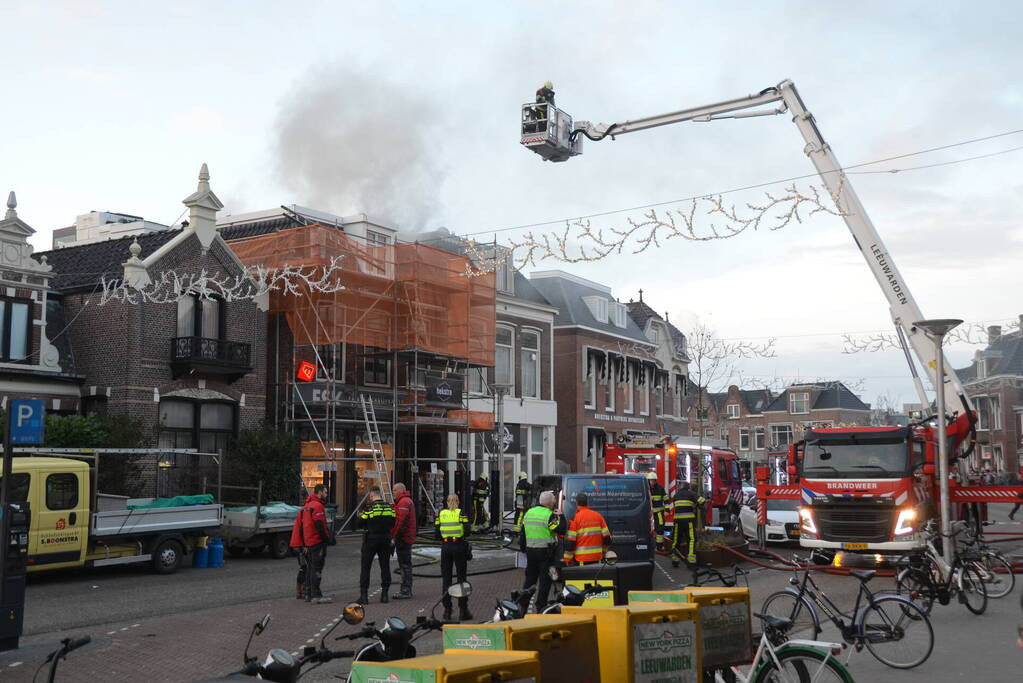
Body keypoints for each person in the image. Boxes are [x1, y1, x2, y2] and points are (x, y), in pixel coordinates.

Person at [288, 484, 336, 604]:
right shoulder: (317, 506)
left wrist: (303, 544)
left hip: (308, 543)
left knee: (310, 568)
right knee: (317, 569)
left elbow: (302, 528)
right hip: (316, 542)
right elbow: (320, 525)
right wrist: (328, 539)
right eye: (325, 492)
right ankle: (316, 595)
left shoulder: (306, 506)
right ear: (319, 492)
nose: (326, 494)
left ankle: (308, 594)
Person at [520, 490, 565, 611]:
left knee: (530, 579)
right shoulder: (549, 515)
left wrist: (523, 548)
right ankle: (541, 606)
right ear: (549, 503)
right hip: (546, 553)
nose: (554, 503)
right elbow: (561, 530)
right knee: (545, 580)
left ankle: (523, 605)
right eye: (554, 501)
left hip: (531, 552)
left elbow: (522, 533)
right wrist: (561, 516)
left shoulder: (529, 512)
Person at [435, 493, 473, 622]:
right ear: (458, 501)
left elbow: (436, 533)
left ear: (446, 502)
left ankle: (447, 610)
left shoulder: (441, 514)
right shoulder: (461, 514)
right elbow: (468, 531)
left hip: (446, 547)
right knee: (461, 578)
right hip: (459, 546)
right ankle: (463, 609)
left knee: (446, 579)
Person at [358, 486, 396, 604]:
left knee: (366, 567)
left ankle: (364, 596)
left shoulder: (370, 509)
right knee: (385, 566)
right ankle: (385, 595)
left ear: (372, 496)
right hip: (385, 539)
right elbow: (393, 522)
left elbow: (359, 523)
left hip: (371, 539)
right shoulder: (389, 508)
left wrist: (361, 516)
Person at [562, 492, 611, 565]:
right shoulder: (598, 516)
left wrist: (567, 560)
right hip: (598, 560)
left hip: (581, 561)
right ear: (587, 502)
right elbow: (607, 538)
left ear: (577, 503)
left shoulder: (575, 519)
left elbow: (570, 543)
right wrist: (603, 552)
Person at [390, 482, 416, 599]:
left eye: (395, 490)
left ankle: (406, 590)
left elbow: (401, 522)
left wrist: (395, 536)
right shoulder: (404, 501)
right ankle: (406, 588)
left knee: (404, 565)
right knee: (405, 564)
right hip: (406, 537)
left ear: (401, 490)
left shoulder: (404, 502)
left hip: (404, 538)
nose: (393, 492)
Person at [671, 481, 705, 568]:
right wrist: (697, 505)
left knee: (676, 539)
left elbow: (674, 505)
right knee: (691, 539)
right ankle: (691, 560)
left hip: (677, 521)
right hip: (688, 521)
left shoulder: (676, 495)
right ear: (688, 487)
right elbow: (702, 500)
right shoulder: (691, 494)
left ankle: (675, 559)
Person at [647, 472, 667, 547]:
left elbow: (666, 499)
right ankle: (649, 545)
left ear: (655, 480)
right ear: (648, 480)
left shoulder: (660, 488)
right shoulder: (646, 488)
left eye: (653, 480)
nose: (652, 482)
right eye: (650, 480)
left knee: (660, 528)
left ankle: (659, 546)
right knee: (648, 529)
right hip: (649, 514)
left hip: (659, 513)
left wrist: (667, 510)